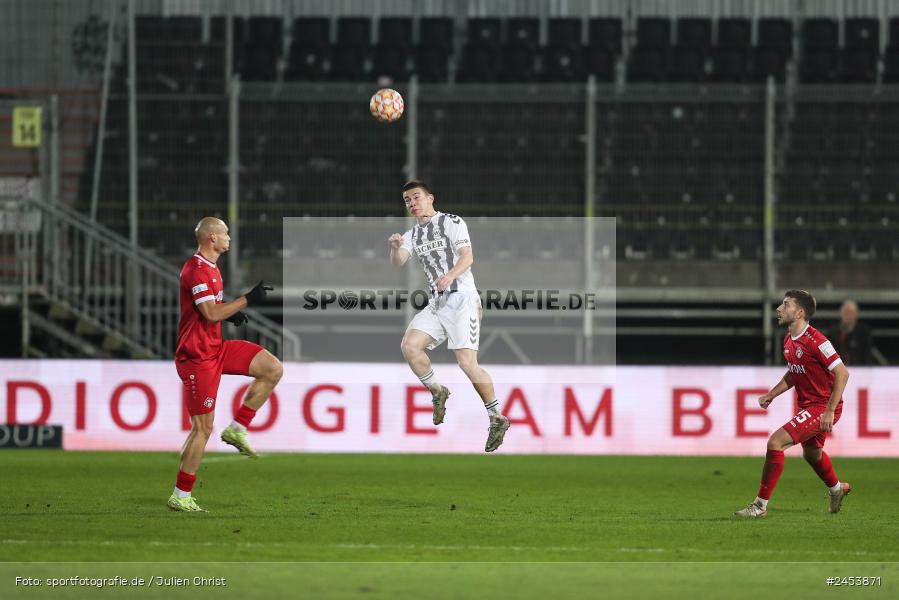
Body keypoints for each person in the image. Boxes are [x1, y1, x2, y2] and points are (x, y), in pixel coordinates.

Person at [168, 217, 283, 512]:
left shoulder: (212, 268)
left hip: (216, 348)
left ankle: (237, 428)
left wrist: (229, 312)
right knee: (202, 429)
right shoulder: (196, 270)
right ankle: (181, 495)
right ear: (211, 238)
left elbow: (210, 310)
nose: (229, 237)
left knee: (272, 368)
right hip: (197, 357)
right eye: (225, 233)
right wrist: (246, 300)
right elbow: (209, 313)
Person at [387, 180, 511, 452]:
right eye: (407, 200)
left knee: (467, 363)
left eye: (416, 197)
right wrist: (395, 247)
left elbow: (468, 256)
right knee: (410, 346)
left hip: (463, 299)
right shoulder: (412, 234)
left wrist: (450, 276)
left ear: (430, 198)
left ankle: (496, 417)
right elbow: (399, 261)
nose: (412, 203)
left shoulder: (451, 222)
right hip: (438, 302)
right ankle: (437, 390)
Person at [735, 289, 851, 518]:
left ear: (800, 313)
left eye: (786, 305)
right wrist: (772, 394)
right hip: (808, 405)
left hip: (822, 407)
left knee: (775, 442)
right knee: (812, 454)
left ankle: (759, 506)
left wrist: (829, 411)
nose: (779, 309)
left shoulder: (817, 341)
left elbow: (842, 373)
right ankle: (837, 488)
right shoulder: (789, 340)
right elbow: (794, 373)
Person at [828, 299, 874, 366]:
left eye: (851, 313)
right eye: (846, 312)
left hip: (859, 367)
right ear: (841, 313)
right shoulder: (833, 332)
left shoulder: (864, 332)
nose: (849, 316)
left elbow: (867, 354)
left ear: (856, 314)